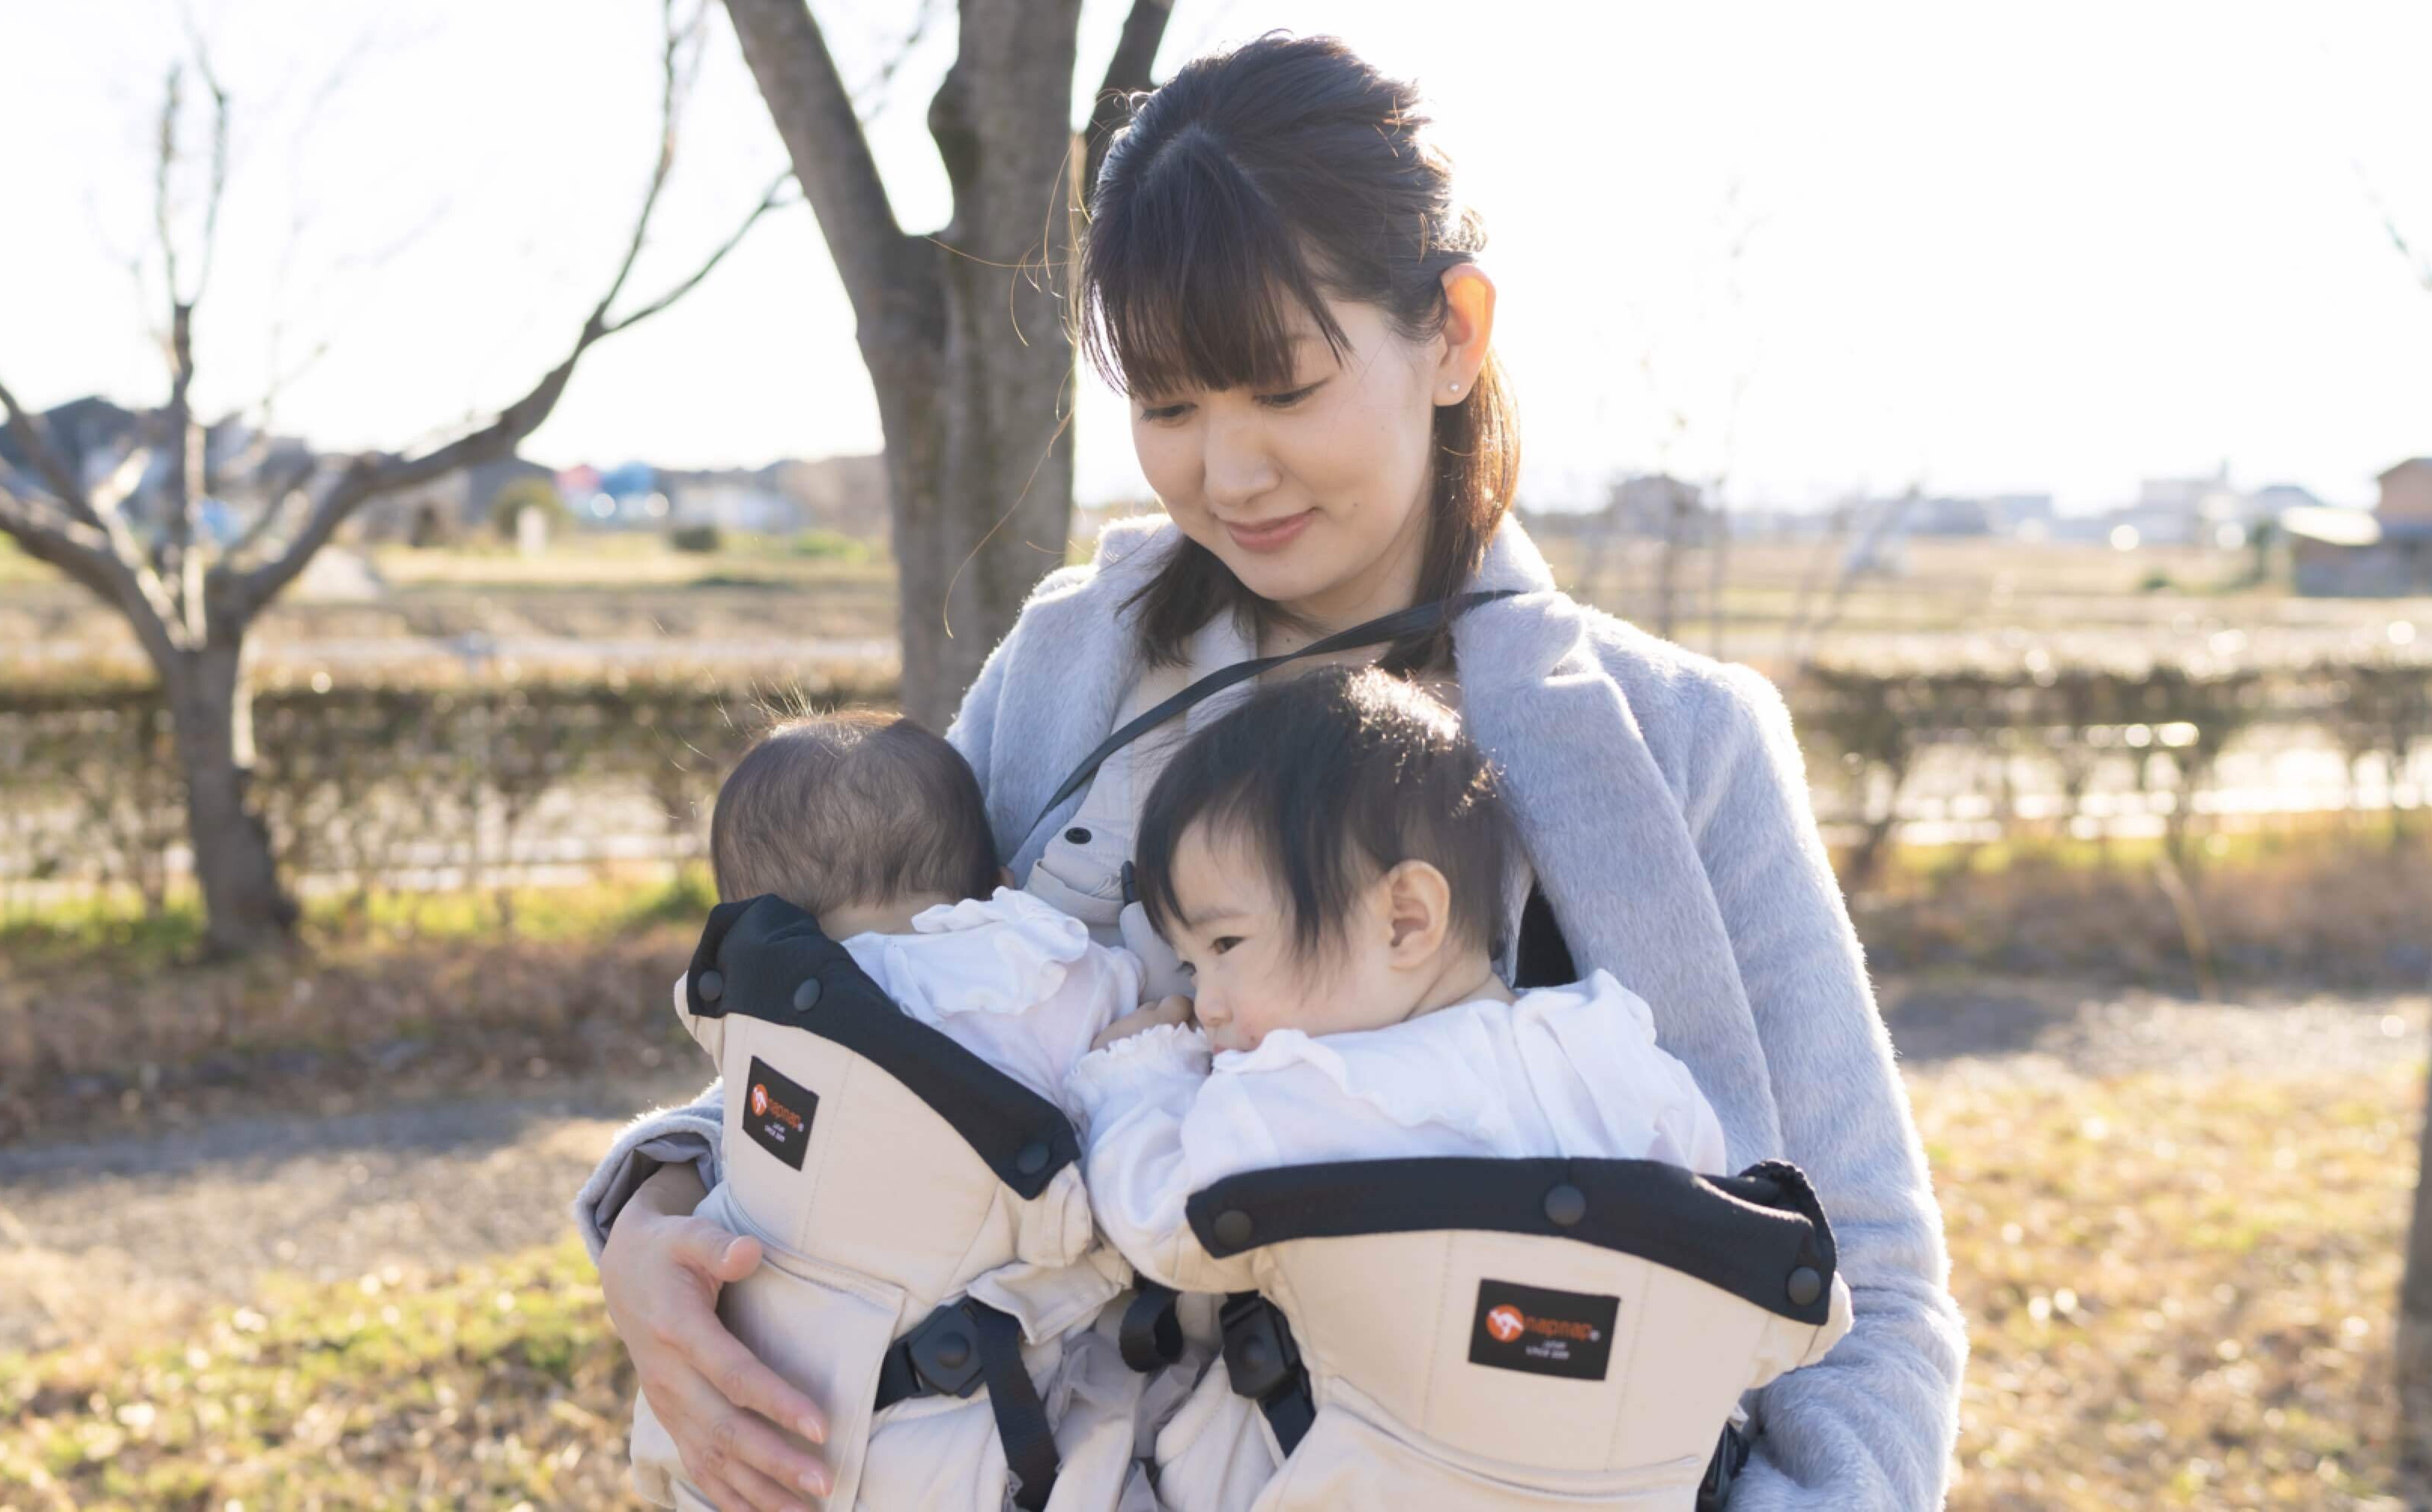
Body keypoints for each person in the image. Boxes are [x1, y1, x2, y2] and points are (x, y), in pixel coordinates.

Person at [581, 34, 1964, 1512]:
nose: (1225, 476)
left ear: (1452, 332)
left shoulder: (1675, 740)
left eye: (1282, 388)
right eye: (1169, 408)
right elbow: (885, 1020)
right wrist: (653, 1224)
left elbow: (1864, 1279)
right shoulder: (1075, 665)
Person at [1072, 665, 1851, 1510]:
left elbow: (1161, 1220)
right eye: (1191, 963)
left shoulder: (1301, 1093)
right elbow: (1704, 1211)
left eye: (1225, 944)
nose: (1208, 1000)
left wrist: (1136, 1070)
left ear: (1406, 918)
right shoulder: (1610, 1051)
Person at [628, 711, 1153, 1510]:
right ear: (1000, 882)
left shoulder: (744, 1016)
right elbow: (1127, 1055)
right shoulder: (1036, 973)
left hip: (754, 1410)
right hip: (972, 1429)